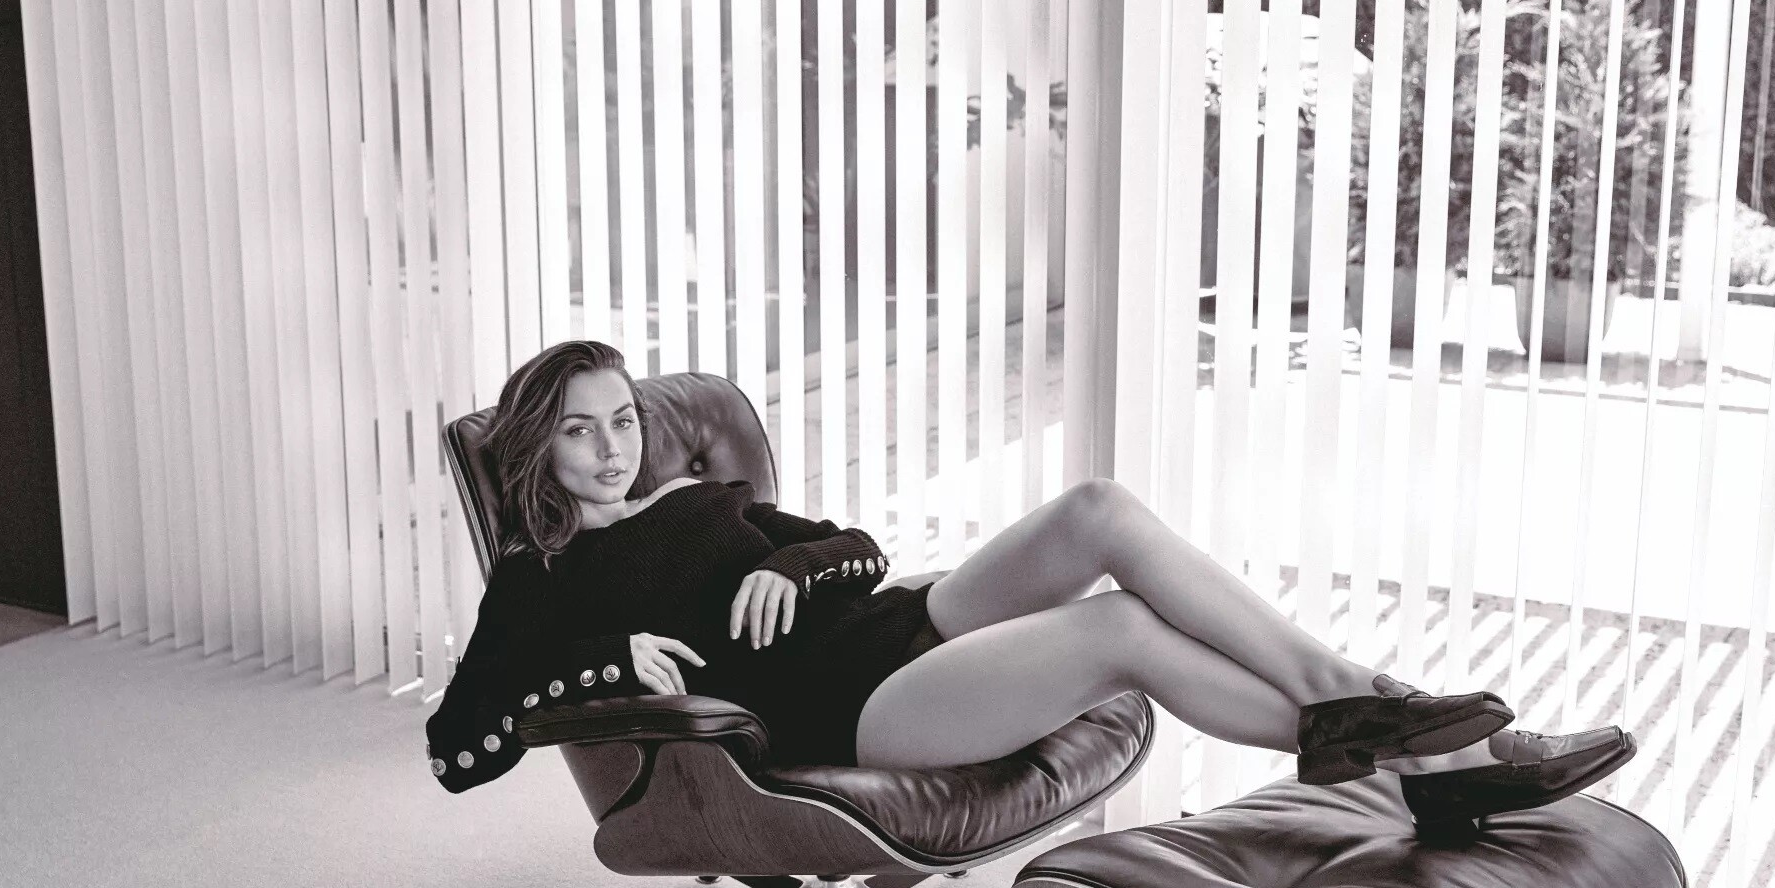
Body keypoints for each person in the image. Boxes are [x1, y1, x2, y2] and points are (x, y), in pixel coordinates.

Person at [427, 340, 1635, 830]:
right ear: (540, 447)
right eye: (579, 430)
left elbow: (855, 548)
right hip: (844, 711)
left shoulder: (701, 499)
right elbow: (459, 744)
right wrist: (607, 666)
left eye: (623, 420)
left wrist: (788, 561)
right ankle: (1421, 746)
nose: (612, 448)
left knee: (1098, 508)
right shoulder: (546, 576)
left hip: (889, 625)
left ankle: (1379, 716)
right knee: (1120, 629)